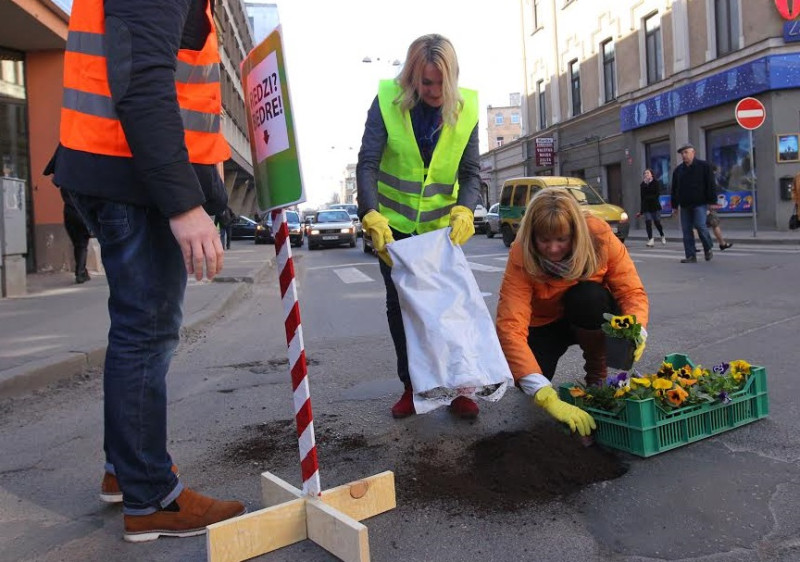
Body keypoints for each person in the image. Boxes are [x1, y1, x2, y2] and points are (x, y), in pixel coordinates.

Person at [45, 0, 244, 542]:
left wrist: (208, 185)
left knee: (138, 329)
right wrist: (184, 205)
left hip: (118, 170)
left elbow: (173, 86)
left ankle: (125, 470)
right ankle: (151, 496)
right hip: (129, 177)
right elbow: (141, 83)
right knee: (147, 331)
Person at [356, 34, 481, 420]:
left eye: (442, 82)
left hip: (440, 231)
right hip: (392, 230)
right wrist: (371, 214)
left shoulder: (467, 108)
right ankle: (413, 387)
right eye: (426, 83)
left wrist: (465, 210)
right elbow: (368, 165)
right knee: (402, 308)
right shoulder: (387, 105)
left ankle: (462, 387)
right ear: (412, 78)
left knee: (450, 308)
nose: (434, 91)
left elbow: (471, 172)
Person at [496, 188, 649, 437]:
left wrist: (637, 327)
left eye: (562, 239)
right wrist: (544, 394)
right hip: (545, 322)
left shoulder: (598, 235)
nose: (553, 249)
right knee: (529, 379)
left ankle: (596, 375)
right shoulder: (520, 253)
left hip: (588, 310)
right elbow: (510, 325)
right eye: (544, 241)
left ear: (575, 233)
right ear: (532, 236)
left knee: (588, 296)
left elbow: (631, 291)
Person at [671, 143, 716, 263]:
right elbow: (674, 189)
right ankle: (690, 256)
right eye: (682, 153)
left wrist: (712, 201)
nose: (684, 155)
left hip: (700, 203)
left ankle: (708, 247)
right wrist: (674, 206)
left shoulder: (704, 166)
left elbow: (711, 184)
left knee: (700, 226)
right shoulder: (678, 170)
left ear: (693, 152)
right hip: (685, 205)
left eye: (686, 152)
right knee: (686, 231)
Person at [61, 188, 92, 284]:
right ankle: (80, 272)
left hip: (68, 214)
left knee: (78, 244)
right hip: (80, 213)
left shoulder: (65, 182)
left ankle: (81, 270)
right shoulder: (80, 182)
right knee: (82, 245)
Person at [638, 168, 666, 247]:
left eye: (647, 173)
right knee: (648, 222)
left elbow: (656, 194)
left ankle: (662, 235)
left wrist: (648, 186)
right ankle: (650, 239)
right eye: (645, 173)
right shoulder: (642, 185)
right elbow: (642, 197)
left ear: (651, 174)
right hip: (646, 206)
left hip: (654, 206)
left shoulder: (655, 183)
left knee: (657, 222)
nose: (646, 175)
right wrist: (641, 210)